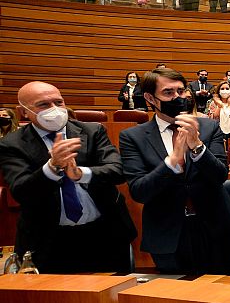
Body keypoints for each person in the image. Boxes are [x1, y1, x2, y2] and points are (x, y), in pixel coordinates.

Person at [0, 81, 136, 273]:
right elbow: (22, 191)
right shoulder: (11, 144)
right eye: (43, 105)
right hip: (48, 241)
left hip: (104, 234)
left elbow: (118, 170)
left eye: (59, 102)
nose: (54, 109)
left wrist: (80, 174)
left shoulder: (92, 131)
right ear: (23, 112)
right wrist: (51, 167)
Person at [119, 68, 230, 274]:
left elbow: (220, 175)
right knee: (173, 292)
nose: (177, 97)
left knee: (220, 290)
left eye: (181, 91)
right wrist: (171, 163)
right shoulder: (133, 137)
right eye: (168, 93)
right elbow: (139, 191)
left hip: (213, 228)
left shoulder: (208, 127)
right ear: (150, 98)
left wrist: (197, 146)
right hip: (166, 232)